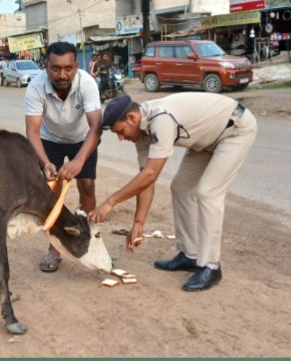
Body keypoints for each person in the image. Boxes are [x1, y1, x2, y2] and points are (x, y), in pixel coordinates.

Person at [90, 91, 257, 292]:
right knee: (181, 188)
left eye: (121, 131)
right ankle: (190, 255)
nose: (120, 138)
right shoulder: (141, 133)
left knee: (208, 192)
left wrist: (110, 202)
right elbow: (145, 180)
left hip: (234, 130)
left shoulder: (161, 119)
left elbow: (151, 174)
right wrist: (138, 223)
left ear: (132, 118)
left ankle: (211, 266)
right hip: (204, 141)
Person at [23, 41, 102, 273]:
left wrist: (78, 162)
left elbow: (96, 127)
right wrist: (46, 162)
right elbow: (32, 132)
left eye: (68, 68)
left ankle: (89, 242)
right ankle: (55, 248)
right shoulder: (35, 87)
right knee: (52, 192)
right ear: (46, 66)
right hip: (49, 141)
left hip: (82, 139)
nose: (62, 74)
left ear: (76, 66)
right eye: (55, 68)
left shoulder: (87, 83)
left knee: (87, 186)